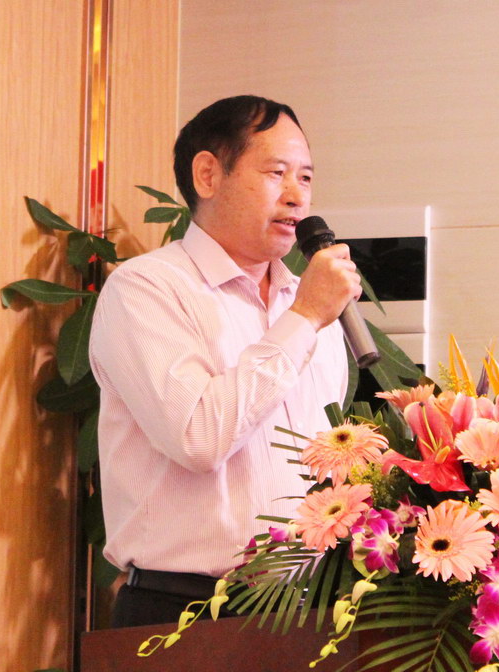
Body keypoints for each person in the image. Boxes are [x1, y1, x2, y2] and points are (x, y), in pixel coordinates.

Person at [89, 95, 361, 629]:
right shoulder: (146, 288)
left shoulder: (308, 305)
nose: (296, 196)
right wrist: (305, 317)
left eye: (306, 177)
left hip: (306, 611)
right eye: (276, 173)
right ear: (208, 175)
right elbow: (198, 437)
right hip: (181, 612)